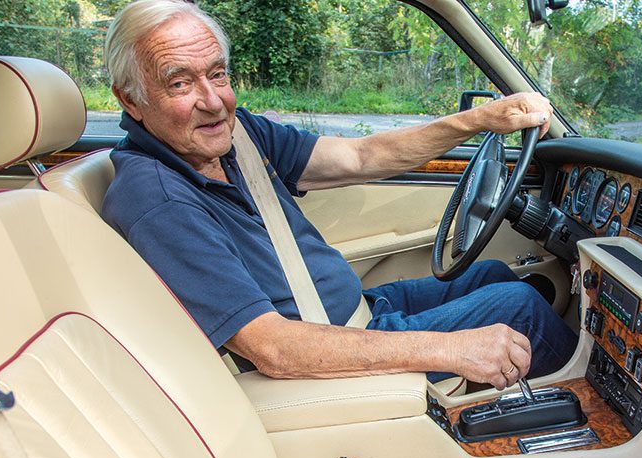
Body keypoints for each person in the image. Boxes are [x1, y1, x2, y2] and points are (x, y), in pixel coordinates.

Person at [100, 0, 578, 390]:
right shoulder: (156, 199)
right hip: (321, 352)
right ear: (131, 99)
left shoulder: (236, 135)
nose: (213, 101)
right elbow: (273, 348)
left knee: (492, 274)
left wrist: (479, 120)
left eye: (218, 74)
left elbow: (359, 157)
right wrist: (453, 349)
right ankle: (589, 427)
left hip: (355, 313)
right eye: (180, 83)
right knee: (521, 308)